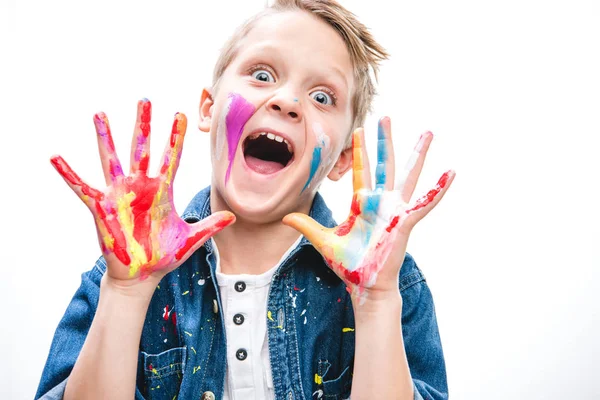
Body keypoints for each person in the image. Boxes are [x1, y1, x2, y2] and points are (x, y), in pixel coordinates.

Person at [35, 0, 455, 399]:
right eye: (262, 74)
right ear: (209, 107)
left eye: (322, 97)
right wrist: (127, 294)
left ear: (342, 158)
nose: (286, 101)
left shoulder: (389, 285)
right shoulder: (121, 277)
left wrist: (376, 302)